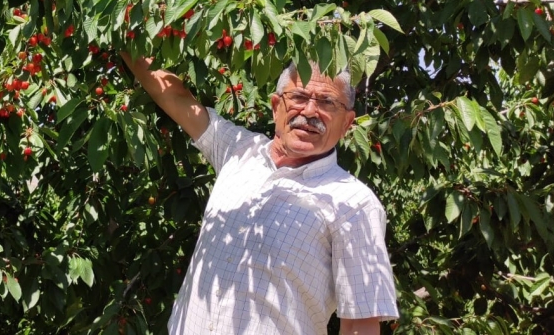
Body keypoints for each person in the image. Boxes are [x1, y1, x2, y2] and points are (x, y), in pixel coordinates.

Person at [120, 52, 399, 335]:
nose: (311, 112)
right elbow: (175, 97)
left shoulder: (355, 205)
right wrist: (120, 27)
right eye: (299, 97)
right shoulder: (238, 150)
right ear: (277, 106)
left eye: (328, 102)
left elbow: (360, 325)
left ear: (347, 123)